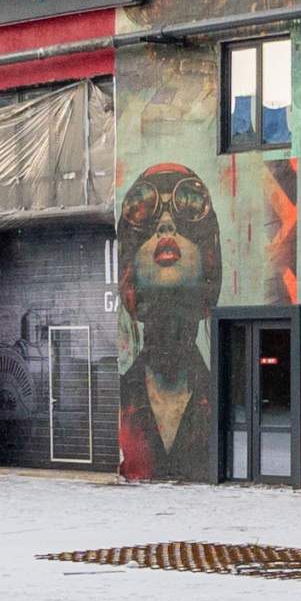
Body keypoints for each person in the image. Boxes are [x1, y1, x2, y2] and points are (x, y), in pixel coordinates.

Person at [117, 163, 220, 480]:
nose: (165, 226)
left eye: (186, 213)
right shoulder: (119, 399)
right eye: (147, 216)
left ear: (209, 260)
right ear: (129, 268)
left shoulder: (222, 397)